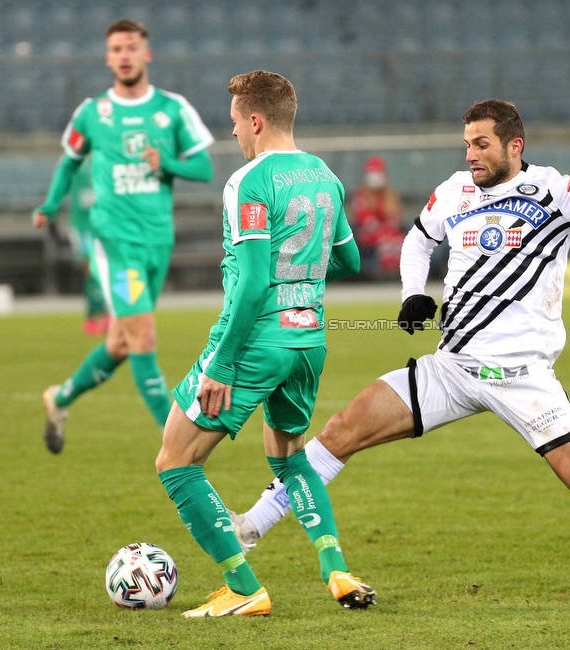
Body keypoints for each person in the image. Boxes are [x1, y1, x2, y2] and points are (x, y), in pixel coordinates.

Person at [230, 81, 570, 598]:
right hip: (451, 369)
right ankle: (249, 526)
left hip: (522, 375)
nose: (471, 155)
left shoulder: (554, 192)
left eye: (482, 144)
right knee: (343, 429)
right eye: (467, 143)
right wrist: (412, 293)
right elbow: (418, 238)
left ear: (514, 146)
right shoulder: (454, 191)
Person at [155, 70, 372, 618]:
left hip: (256, 339)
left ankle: (243, 587)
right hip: (309, 338)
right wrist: (300, 280)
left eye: (233, 123)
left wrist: (222, 363)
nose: (231, 134)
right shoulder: (325, 176)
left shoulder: (248, 182)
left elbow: (251, 284)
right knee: (290, 458)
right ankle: (336, 571)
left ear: (255, 120)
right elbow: (348, 259)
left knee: (176, 461)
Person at [34, 20, 214, 453]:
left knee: (119, 342)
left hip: (157, 241)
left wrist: (167, 162)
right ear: (108, 57)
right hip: (114, 242)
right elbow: (69, 162)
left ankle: (59, 399)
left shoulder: (172, 109)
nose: (125, 55)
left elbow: (203, 169)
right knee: (144, 336)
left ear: (146, 54)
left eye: (132, 47)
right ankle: (174, 441)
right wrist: (48, 205)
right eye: (116, 49)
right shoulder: (93, 112)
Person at [66, 159, 110, 336]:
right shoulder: (77, 170)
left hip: (101, 229)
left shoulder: (106, 166)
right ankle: (93, 315)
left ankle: (106, 315)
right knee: (91, 272)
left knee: (105, 272)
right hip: (83, 228)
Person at [351, 155, 405, 276]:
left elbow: (395, 218)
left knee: (396, 238)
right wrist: (380, 229)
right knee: (384, 239)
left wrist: (388, 227)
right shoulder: (361, 195)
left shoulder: (389, 195)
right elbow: (364, 220)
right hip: (366, 234)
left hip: (385, 232)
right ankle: (382, 272)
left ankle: (397, 270)